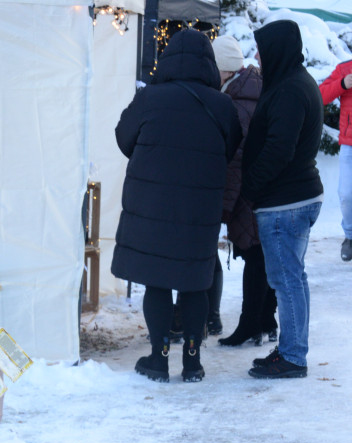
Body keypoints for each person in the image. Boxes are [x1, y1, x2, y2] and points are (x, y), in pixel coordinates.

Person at [112, 29, 242, 383]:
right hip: (200, 208)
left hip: (152, 205)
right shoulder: (221, 104)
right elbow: (230, 147)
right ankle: (193, 362)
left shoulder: (150, 97)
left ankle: (158, 358)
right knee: (194, 282)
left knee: (157, 282)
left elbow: (124, 138)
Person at [241, 20, 323, 379]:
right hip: (292, 197)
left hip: (285, 202)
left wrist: (251, 186)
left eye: (262, 49)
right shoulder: (293, 82)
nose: (257, 56)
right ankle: (292, 348)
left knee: (287, 280)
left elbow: (279, 150)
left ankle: (292, 356)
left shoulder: (290, 90)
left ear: (277, 49)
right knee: (293, 278)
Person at [211, 35, 279, 347]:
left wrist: (224, 209)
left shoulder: (237, 102)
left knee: (255, 257)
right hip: (257, 191)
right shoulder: (248, 90)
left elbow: (235, 161)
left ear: (224, 70)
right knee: (260, 256)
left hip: (248, 194)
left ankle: (253, 323)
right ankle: (265, 320)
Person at [319, 58, 352, 261]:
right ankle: (350, 236)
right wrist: (342, 84)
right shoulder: (344, 69)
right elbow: (320, 95)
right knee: (346, 194)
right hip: (349, 143)